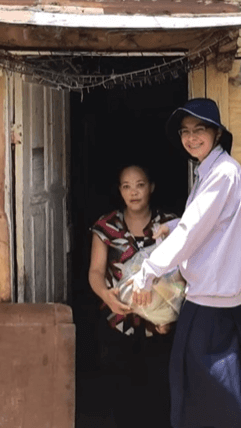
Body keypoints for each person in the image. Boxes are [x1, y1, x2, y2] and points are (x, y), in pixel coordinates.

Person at [132, 98, 241, 428]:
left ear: (216, 133)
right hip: (213, 294)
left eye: (199, 130)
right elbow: (205, 224)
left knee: (210, 387)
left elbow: (193, 230)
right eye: (185, 131)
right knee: (226, 385)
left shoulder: (222, 173)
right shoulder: (212, 171)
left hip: (211, 299)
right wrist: (171, 227)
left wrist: (149, 271)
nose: (191, 137)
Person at [88, 164, 178, 428]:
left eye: (139, 185)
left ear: (151, 187)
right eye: (126, 186)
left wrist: (170, 314)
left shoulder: (169, 223)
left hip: (160, 327)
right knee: (122, 398)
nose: (133, 192)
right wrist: (106, 294)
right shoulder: (106, 226)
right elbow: (95, 272)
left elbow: (181, 275)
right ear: (120, 191)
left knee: (160, 398)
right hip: (118, 325)